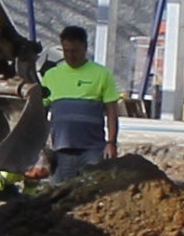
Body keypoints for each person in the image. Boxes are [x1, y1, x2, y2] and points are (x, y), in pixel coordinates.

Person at [34, 28, 123, 170]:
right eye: (66, 51)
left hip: (92, 150)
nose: (70, 56)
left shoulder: (101, 74)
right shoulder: (51, 76)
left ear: (85, 48)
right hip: (61, 150)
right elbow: (41, 111)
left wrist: (111, 142)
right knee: (60, 190)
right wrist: (40, 145)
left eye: (75, 51)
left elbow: (112, 111)